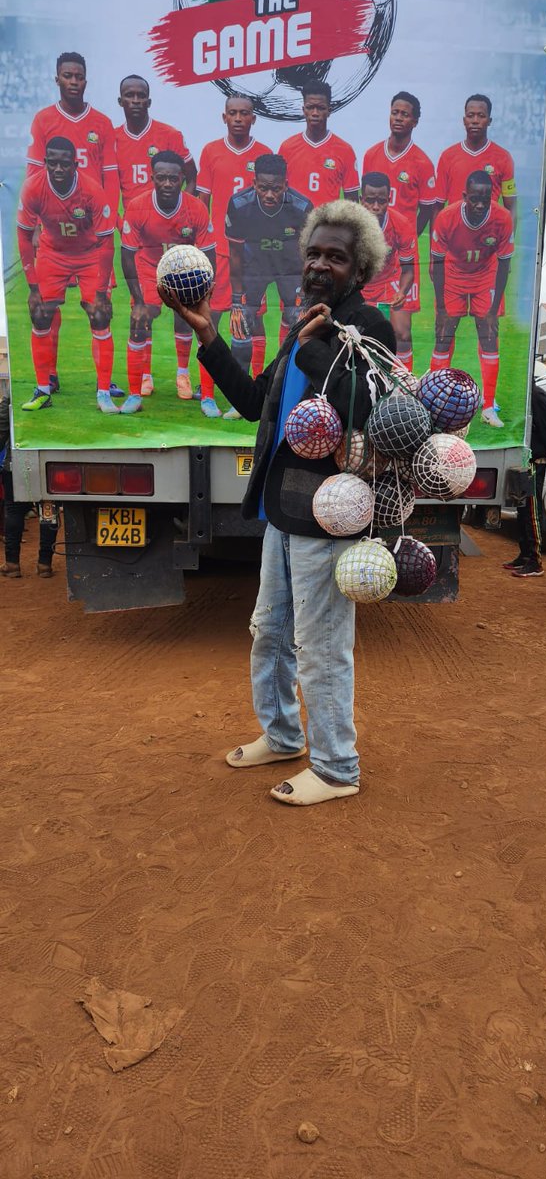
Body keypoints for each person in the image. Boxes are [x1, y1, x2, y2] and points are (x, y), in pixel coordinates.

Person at [159, 200, 396, 806]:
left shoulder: (368, 327)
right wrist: (206, 333)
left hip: (330, 514)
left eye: (335, 257)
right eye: (313, 253)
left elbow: (369, 409)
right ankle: (284, 735)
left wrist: (313, 346)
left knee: (321, 648)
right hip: (281, 512)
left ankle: (337, 768)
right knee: (268, 632)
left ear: (360, 269)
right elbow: (252, 402)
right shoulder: (304, 325)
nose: (319, 265)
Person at [26, 51, 121, 399]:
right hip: (54, 232)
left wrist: (110, 218)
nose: (74, 81)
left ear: (85, 80)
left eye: (79, 76)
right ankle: (49, 375)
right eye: (67, 75)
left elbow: (110, 176)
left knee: (99, 308)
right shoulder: (43, 120)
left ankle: (104, 382)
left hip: (91, 233)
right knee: (47, 306)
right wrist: (37, 224)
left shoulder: (102, 123)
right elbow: (35, 174)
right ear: (58, 79)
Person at [17, 136, 116, 413]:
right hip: (53, 254)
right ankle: (43, 390)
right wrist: (33, 287)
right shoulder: (33, 187)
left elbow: (107, 243)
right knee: (40, 313)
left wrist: (101, 292)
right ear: (45, 162)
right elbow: (24, 236)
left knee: (99, 315)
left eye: (64, 164)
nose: (58, 169)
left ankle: (104, 392)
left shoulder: (91, 190)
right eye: (52, 163)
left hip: (90, 255)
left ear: (75, 163)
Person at [115, 73, 197, 399]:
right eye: (129, 95)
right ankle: (145, 375)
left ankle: (182, 374)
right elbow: (108, 184)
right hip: (141, 240)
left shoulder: (169, 135)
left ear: (149, 100)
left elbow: (191, 176)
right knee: (143, 311)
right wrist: (121, 223)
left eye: (141, 96)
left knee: (184, 311)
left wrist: (183, 216)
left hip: (175, 240)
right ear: (121, 101)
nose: (135, 101)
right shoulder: (112, 139)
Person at [120, 150, 217, 415]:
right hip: (148, 268)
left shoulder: (196, 208)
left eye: (173, 179)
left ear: (182, 178)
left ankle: (196, 387)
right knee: (140, 321)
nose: (167, 184)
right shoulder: (138, 207)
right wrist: (139, 301)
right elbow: (127, 255)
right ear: (152, 177)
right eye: (161, 178)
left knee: (196, 323)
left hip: (183, 271)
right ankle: (137, 389)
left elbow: (209, 254)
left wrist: (204, 295)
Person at [223, 154, 313, 418]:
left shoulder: (302, 207)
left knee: (297, 323)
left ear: (286, 184)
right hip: (254, 267)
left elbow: (310, 254)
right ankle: (240, 400)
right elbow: (235, 255)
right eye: (263, 188)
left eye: (276, 188)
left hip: (290, 268)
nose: (269, 194)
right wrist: (237, 299)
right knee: (241, 322)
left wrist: (306, 294)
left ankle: (290, 396)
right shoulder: (239, 205)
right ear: (254, 183)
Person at [430, 170, 514, 427]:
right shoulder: (446, 218)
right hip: (453, 275)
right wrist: (441, 308)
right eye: (474, 198)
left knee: (488, 335)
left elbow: (504, 265)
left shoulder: (502, 218)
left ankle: (488, 407)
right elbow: (437, 264)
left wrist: (493, 309)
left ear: (492, 197)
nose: (479, 204)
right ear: (465, 196)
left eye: (485, 199)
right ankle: (433, 402)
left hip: (485, 276)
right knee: (444, 335)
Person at [197, 93, 271, 382]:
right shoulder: (210, 151)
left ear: (254, 118)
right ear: (224, 117)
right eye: (233, 113)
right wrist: (201, 244)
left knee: (254, 318)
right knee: (211, 316)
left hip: (253, 254)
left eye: (244, 113)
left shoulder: (264, 153)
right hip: (220, 250)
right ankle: (209, 386)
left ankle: (256, 381)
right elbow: (202, 201)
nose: (238, 118)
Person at [361, 91, 436, 371]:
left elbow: (427, 209)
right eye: (395, 112)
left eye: (405, 114)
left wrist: (407, 238)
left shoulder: (422, 162)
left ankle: (404, 384)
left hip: (401, 248)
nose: (399, 118)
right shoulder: (371, 154)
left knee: (401, 331)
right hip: (371, 250)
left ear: (415, 121)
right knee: (363, 327)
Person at [503, 376, 546, 577]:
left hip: (535, 461)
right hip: (525, 460)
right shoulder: (526, 397)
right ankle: (525, 555)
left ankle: (536, 562)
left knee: (531, 510)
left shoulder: (536, 395)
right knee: (522, 509)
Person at [434, 94, 517, 228]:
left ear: (489, 121)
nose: (475, 121)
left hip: (487, 235)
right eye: (470, 115)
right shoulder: (447, 156)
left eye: (481, 116)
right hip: (455, 235)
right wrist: (435, 240)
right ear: (464, 120)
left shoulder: (503, 157)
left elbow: (511, 207)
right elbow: (438, 207)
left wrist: (509, 238)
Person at [0, 396, 58, 577]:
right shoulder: (55, 396)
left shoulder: (12, 393)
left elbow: (2, 428)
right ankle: (44, 564)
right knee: (48, 510)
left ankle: (12, 564)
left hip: (17, 462)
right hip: (51, 462)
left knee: (14, 511)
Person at [279, 80, 359, 208]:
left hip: (328, 220)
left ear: (329, 111)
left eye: (321, 108)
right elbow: (278, 193)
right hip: (295, 220)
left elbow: (352, 202)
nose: (315, 113)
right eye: (310, 107)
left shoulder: (345, 150)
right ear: (303, 110)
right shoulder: (287, 148)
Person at [360, 171, 416, 321]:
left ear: (389, 200)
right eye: (370, 200)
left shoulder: (401, 225)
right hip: (355, 286)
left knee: (401, 331)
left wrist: (402, 292)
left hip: (386, 285)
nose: (376, 207)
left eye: (382, 201)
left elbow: (408, 270)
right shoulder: (347, 224)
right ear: (361, 199)